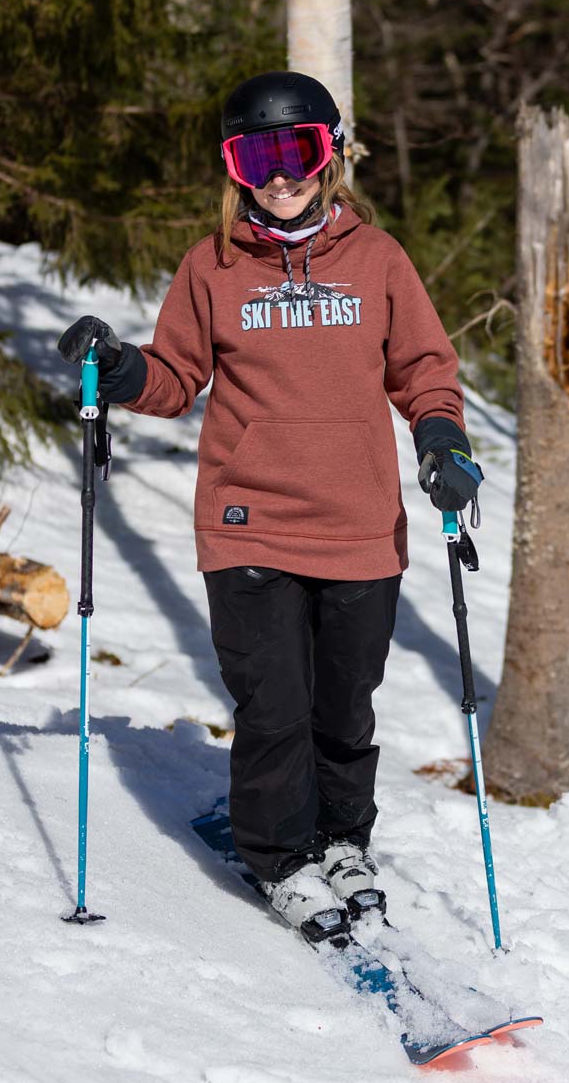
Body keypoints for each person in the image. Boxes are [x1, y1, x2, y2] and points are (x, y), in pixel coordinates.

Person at [57, 71, 482, 943]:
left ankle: (342, 839)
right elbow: (177, 379)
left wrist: (443, 443)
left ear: (329, 155)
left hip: (361, 524)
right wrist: (125, 367)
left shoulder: (379, 259)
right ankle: (282, 857)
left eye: (298, 151)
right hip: (248, 520)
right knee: (274, 707)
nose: (279, 176)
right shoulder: (211, 265)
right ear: (234, 166)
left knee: (345, 706)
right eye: (258, 156)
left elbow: (425, 373)